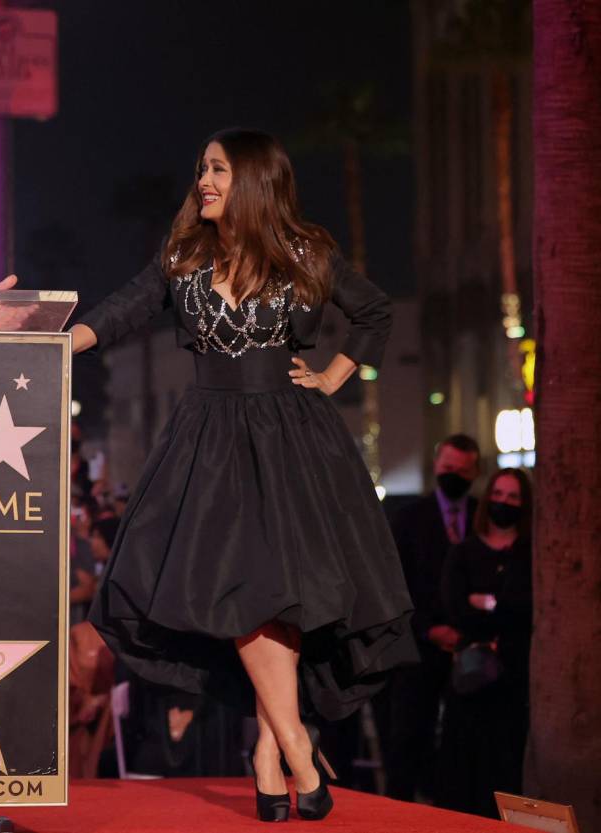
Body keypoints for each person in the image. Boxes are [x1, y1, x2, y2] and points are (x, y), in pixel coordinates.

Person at [73, 128, 417, 822]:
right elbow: (119, 313)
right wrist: (50, 338)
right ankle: (293, 741)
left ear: (254, 179)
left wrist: (332, 376)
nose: (204, 180)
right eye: (202, 168)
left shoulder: (304, 250)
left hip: (292, 441)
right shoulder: (183, 256)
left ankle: (270, 748)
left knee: (277, 594)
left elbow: (374, 312)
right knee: (246, 591)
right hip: (209, 445)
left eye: (219, 170)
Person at [381, 434, 481, 802]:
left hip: (468, 646)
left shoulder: (480, 515)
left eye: (462, 469)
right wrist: (428, 628)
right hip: (417, 645)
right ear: (437, 466)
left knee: (461, 742)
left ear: (475, 471)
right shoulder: (408, 519)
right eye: (447, 467)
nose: (453, 474)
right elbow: (397, 584)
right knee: (407, 736)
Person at [437, 469, 532, 817]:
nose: (504, 502)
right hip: (471, 680)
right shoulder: (464, 552)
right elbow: (457, 609)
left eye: (513, 497)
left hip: (514, 680)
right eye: (499, 494)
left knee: (505, 766)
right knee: (463, 767)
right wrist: (490, 608)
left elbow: (525, 611)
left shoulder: (530, 553)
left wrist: (487, 602)